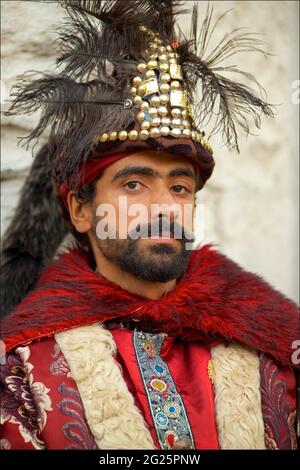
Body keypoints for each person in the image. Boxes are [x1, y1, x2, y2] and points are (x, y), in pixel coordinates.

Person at [0, 1, 299, 450]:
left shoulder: (275, 344)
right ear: (81, 210)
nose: (165, 207)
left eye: (180, 188)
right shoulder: (21, 370)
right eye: (135, 184)